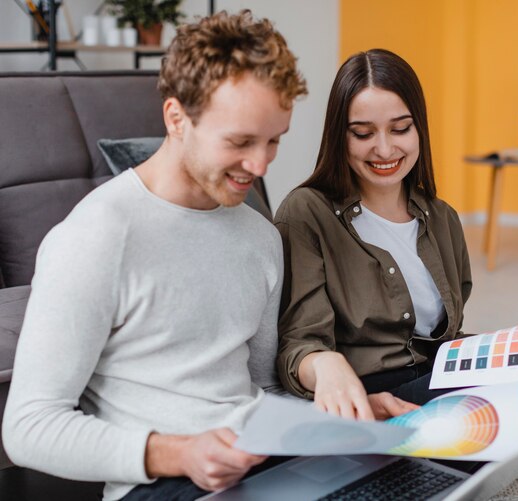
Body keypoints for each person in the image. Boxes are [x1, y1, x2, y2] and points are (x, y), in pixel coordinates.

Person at [3, 11, 307, 501]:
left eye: (274, 141)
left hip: (262, 468)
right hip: (163, 484)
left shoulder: (260, 237)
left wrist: (339, 421)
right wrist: (178, 453)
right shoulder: (96, 236)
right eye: (239, 142)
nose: (260, 164)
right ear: (175, 118)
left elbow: (261, 393)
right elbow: (28, 427)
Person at [275, 48, 518, 469]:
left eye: (400, 128)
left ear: (418, 127)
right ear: (339, 136)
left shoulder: (440, 216)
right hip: (387, 407)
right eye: (363, 133)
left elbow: (447, 335)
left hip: (442, 372)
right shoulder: (307, 212)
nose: (384, 149)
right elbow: (300, 345)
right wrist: (326, 366)